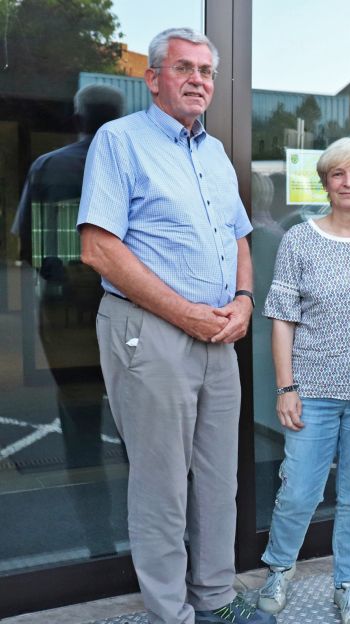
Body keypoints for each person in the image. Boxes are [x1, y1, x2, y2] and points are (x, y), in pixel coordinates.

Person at [77, 28, 273, 624]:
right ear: (154, 77)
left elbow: (240, 237)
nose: (198, 80)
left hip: (219, 333)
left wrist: (243, 300)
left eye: (207, 72)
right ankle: (171, 613)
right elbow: (98, 249)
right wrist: (184, 312)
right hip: (151, 331)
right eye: (184, 68)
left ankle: (215, 599)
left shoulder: (212, 153)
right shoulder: (120, 141)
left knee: (219, 477)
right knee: (162, 483)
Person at [255, 138, 350, 624]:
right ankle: (279, 568)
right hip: (311, 392)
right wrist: (285, 386)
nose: (349, 183)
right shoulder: (300, 238)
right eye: (339, 174)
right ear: (325, 181)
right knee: (299, 491)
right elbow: (281, 318)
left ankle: (348, 583)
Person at [12, 83, 125, 558]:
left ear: (78, 119)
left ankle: (98, 543)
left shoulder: (49, 166)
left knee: (80, 431)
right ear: (119, 118)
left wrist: (65, 273)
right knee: (146, 434)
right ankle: (154, 542)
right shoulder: (136, 166)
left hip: (67, 322)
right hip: (133, 318)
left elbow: (31, 249)